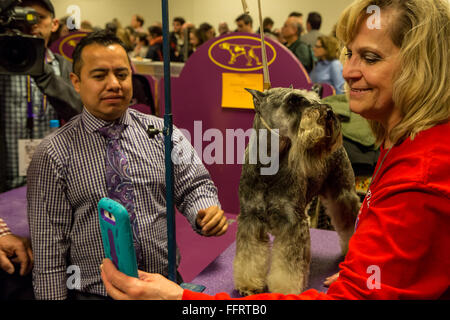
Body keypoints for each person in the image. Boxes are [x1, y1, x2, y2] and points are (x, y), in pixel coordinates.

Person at [101, 0, 450, 300]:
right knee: (251, 221)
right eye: (349, 54)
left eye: (371, 57)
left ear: (421, 67)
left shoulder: (421, 177)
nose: (348, 71)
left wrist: (183, 297)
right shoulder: (404, 143)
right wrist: (363, 270)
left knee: (338, 205)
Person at [27, 30, 229, 300]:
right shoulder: (53, 152)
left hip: (164, 288)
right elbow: (48, 248)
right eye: (99, 76)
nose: (114, 84)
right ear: (76, 81)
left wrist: (204, 211)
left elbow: (194, 186)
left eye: (121, 75)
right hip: (94, 293)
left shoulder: (164, 133)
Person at [0, 0, 83, 193]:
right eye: (24, 16)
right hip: (6, 181)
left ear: (54, 24)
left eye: (40, 17)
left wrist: (41, 71)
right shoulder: (2, 65)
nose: (32, 23)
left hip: (53, 180)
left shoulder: (66, 68)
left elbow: (81, 112)